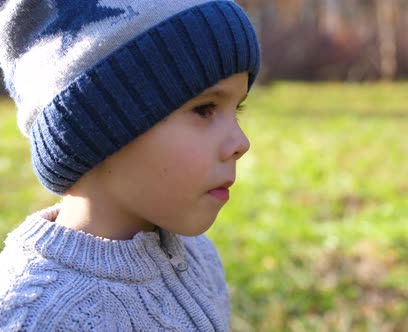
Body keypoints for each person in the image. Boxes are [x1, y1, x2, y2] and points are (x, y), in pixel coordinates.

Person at [0, 0, 260, 330]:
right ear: (98, 123)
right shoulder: (36, 317)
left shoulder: (197, 259)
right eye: (205, 109)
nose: (241, 143)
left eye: (236, 110)